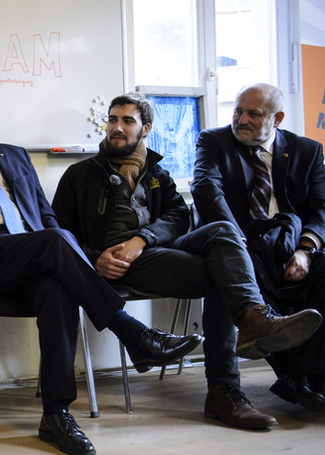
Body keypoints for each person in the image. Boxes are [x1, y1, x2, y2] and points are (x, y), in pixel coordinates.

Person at [0, 83, 203, 455]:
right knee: (54, 241)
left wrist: (50, 242)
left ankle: (56, 414)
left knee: (57, 288)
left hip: (31, 253)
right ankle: (134, 335)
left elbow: (46, 215)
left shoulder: (15, 155)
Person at [51, 92, 320, 429]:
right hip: (115, 263)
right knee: (224, 273)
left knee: (222, 231)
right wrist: (96, 258)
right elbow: (59, 234)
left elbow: (179, 215)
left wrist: (141, 239)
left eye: (127, 121)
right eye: (113, 120)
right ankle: (225, 388)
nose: (117, 128)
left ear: (145, 128)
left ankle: (253, 320)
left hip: (155, 251)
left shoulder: (157, 173)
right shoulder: (79, 175)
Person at [192, 83, 325, 411]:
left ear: (277, 118)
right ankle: (293, 376)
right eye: (238, 111)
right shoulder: (214, 141)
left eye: (254, 113)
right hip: (240, 240)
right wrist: (234, 238)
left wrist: (306, 251)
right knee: (243, 267)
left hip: (292, 242)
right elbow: (206, 188)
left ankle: (313, 374)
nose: (242, 119)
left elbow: (320, 208)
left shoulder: (307, 150)